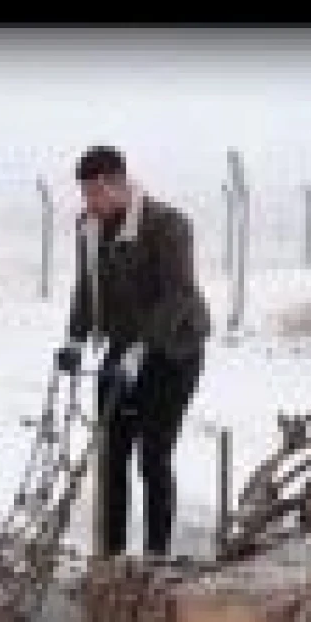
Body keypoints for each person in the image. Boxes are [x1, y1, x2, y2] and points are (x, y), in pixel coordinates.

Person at [54, 146, 211, 559]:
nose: (88, 203)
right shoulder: (88, 225)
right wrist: (75, 337)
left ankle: (155, 558)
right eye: (84, 194)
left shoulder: (168, 225)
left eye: (94, 193)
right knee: (111, 454)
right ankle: (110, 557)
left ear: (117, 185)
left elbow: (178, 295)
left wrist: (143, 349)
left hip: (174, 349)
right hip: (123, 349)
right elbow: (86, 284)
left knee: (153, 454)